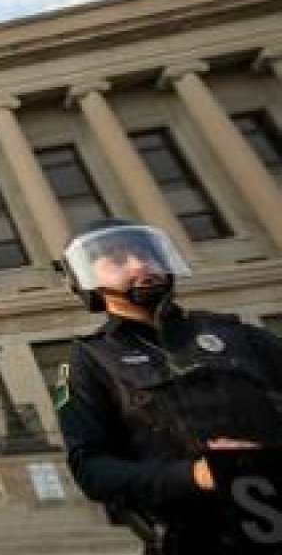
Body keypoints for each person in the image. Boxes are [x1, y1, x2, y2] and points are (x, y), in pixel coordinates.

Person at [56, 217, 282, 554]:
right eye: (118, 260)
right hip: (191, 538)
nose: (140, 265)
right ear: (84, 280)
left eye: (147, 254)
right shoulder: (90, 359)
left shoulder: (237, 334)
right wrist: (195, 475)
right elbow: (92, 469)